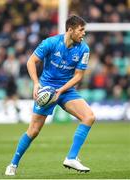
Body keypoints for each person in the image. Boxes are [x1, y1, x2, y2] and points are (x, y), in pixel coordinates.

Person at [5, 15, 95, 176]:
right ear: (70, 29)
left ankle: (71, 157)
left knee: (89, 117)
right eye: (81, 30)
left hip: (66, 90)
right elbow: (31, 62)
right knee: (33, 131)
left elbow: (78, 76)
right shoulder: (51, 43)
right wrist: (36, 83)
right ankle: (13, 164)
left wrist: (61, 90)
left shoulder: (84, 49)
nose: (83, 34)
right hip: (47, 89)